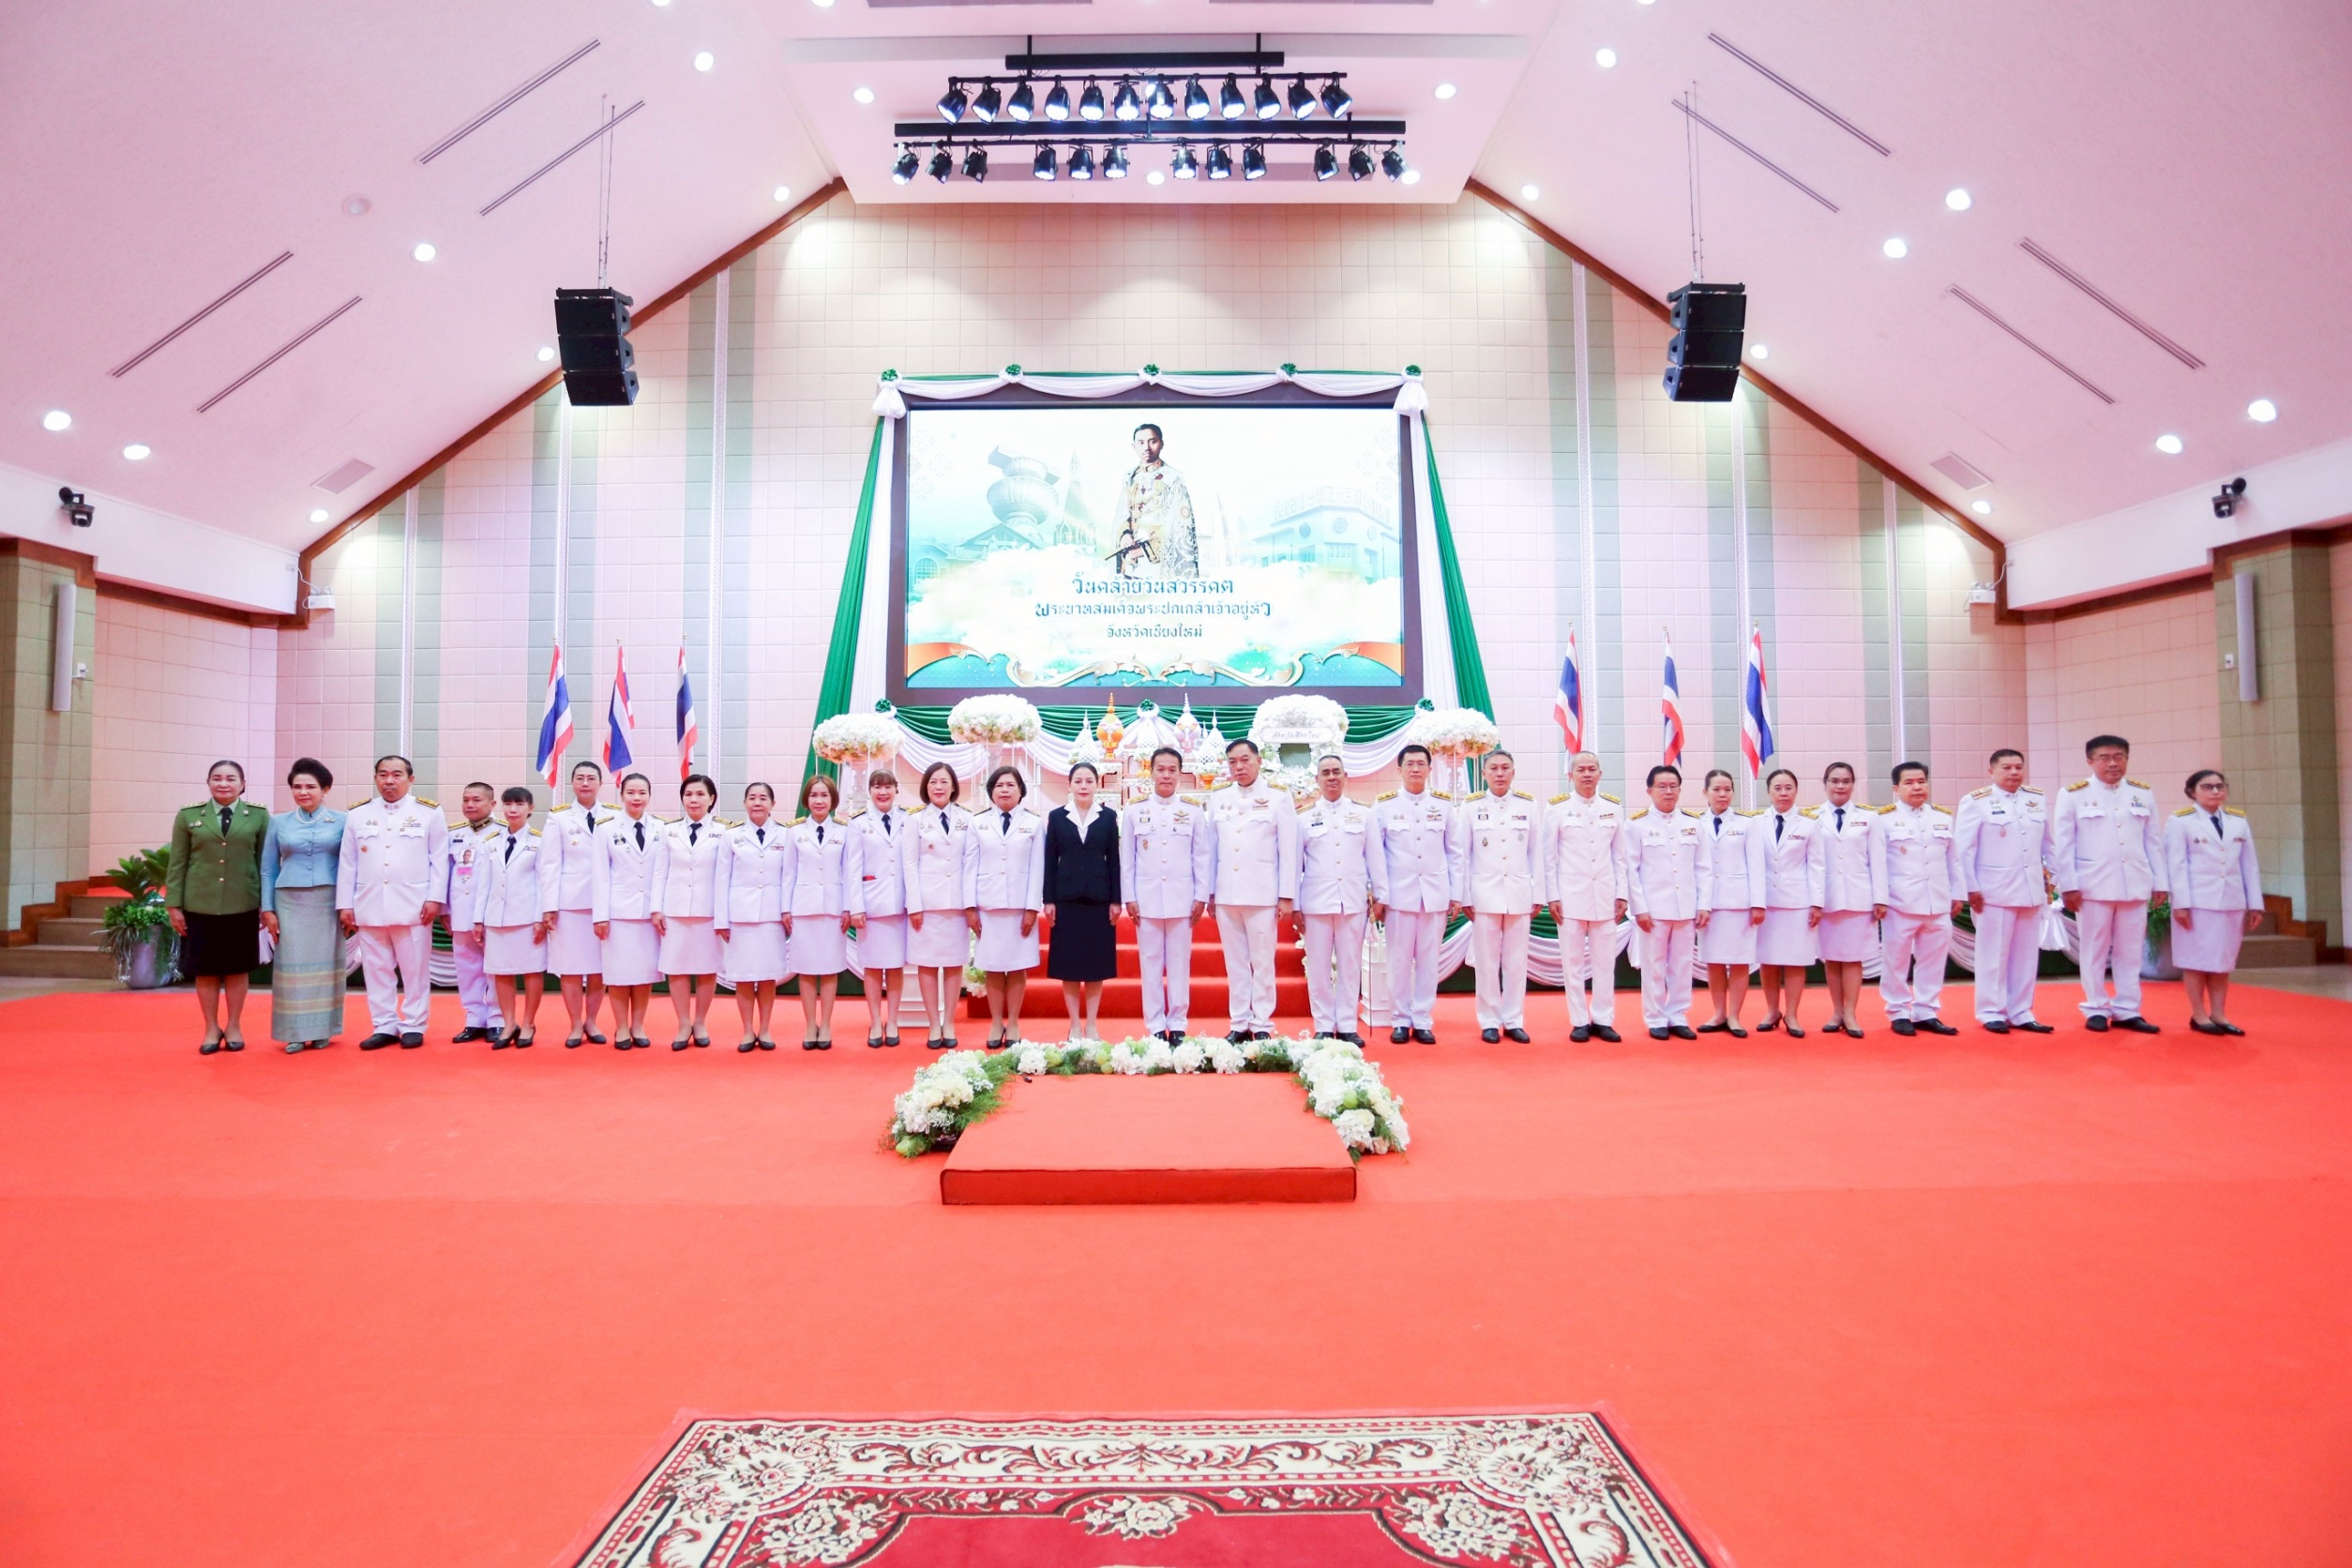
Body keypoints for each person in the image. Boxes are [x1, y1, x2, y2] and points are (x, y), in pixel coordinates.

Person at [2051, 733, 2167, 1033]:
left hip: (2135, 883)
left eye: (2119, 757)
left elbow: (2153, 841)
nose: (2113, 763)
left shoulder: (2142, 793)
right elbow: (2064, 844)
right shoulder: (2073, 794)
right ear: (2090, 761)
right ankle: (2096, 1007)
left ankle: (2128, 1009)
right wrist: (2068, 885)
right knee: (2094, 949)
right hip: (2092, 886)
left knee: (2131, 950)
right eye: (2105, 758)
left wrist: (2160, 882)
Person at [335, 755, 448, 1050]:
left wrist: (435, 898)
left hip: (414, 905)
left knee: (415, 971)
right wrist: (345, 904)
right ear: (375, 778)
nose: (389, 781)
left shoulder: (429, 812)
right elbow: (348, 862)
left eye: (397, 775)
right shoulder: (359, 813)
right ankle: (384, 1024)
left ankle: (413, 1024)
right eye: (383, 774)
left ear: (411, 779)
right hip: (369, 904)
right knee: (376, 970)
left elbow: (439, 859)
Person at [167, 759, 270, 1054]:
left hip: (242, 902)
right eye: (217, 778)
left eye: (230, 779)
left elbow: (265, 863)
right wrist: (174, 905)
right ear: (209, 782)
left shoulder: (258, 815)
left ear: (243, 784)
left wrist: (266, 905)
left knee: (238, 968)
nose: (223, 784)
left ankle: (234, 1025)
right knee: (206, 970)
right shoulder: (189, 816)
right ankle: (211, 1027)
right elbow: (178, 862)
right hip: (200, 904)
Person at [1952, 748, 2055, 1036]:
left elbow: (2048, 843)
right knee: (1992, 955)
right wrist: (1970, 888)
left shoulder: (2036, 799)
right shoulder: (1976, 802)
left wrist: (2056, 877)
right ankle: (1991, 1011)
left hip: (2030, 890)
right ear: (1992, 771)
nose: (2014, 772)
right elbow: (1964, 849)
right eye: (2006, 767)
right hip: (1992, 892)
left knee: (2025, 956)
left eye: (2018, 767)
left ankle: (2021, 1011)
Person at [1205, 738, 1300, 1043]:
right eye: (1233, 761)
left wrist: (1286, 895)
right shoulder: (1219, 798)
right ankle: (1239, 1023)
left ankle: (1262, 1024)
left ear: (1259, 761)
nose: (1239, 767)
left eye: (1245, 760)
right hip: (1227, 894)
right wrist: (1210, 893)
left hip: (1262, 894)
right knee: (1235, 964)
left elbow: (1289, 850)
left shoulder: (1278, 797)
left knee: (1262, 963)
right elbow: (1211, 850)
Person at [1368, 743, 1464, 1045]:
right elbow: (1376, 855)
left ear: (1429, 769)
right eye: (1409, 764)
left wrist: (1456, 893)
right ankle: (1400, 1019)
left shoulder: (1443, 805)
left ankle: (1422, 1019)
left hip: (1434, 895)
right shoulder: (1384, 805)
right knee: (1398, 961)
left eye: (1421, 764)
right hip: (1399, 896)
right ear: (1399, 769)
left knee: (1428, 961)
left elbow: (1455, 852)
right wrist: (1380, 895)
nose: (1415, 769)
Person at [1121, 746, 1214, 1045]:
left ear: (1180, 774)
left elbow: (1202, 856)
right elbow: (1127, 859)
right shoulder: (1134, 810)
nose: (1166, 775)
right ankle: (1155, 1025)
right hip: (1145, 899)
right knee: (1149, 964)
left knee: (1179, 964)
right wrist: (1129, 896)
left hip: (1182, 899)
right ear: (1150, 772)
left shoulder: (1193, 811)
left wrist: (1201, 895)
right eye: (1160, 769)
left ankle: (1178, 1023)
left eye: (1172, 770)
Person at [2164, 769, 2262, 1036]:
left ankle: (2219, 1013)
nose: (2216, 791)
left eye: (2220, 786)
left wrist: (2255, 903)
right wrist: (2180, 904)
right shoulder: (2180, 821)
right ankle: (2198, 1014)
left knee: (2223, 962)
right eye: (2207, 787)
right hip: (2197, 902)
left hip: (2231, 900)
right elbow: (2175, 865)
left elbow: (2249, 865)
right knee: (2196, 961)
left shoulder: (2238, 821)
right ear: (2192, 792)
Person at [260, 758, 346, 1052]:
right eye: (297, 787)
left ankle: (323, 1030)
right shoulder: (278, 822)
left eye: (311, 786)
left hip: (329, 900)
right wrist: (267, 909)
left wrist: (349, 905)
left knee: (326, 967)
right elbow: (268, 869)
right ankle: (294, 1031)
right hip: (289, 901)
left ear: (326, 789)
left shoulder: (343, 821)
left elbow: (351, 866)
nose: (303, 792)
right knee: (292, 967)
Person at [1543, 750, 1626, 1043]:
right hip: (1570, 898)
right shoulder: (1557, 809)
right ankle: (1579, 1020)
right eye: (1581, 770)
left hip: (1605, 896)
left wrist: (1622, 894)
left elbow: (1620, 857)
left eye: (1592, 769)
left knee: (1605, 964)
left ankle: (1603, 1019)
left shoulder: (1613, 808)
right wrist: (1552, 896)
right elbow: (1548, 858)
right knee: (1573, 963)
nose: (1587, 774)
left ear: (1600, 774)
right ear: (1570, 775)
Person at [1621, 764, 1708, 1040]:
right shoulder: (1636, 825)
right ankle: (1656, 1017)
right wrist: (1639, 908)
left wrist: (1703, 905)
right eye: (1662, 786)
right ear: (1649, 791)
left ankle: (1677, 1015)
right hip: (1653, 909)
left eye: (1673, 786)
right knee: (1653, 965)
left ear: (1680, 790)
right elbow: (1631, 870)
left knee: (1682, 964)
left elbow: (1703, 868)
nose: (1668, 791)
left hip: (1686, 907)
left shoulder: (1694, 824)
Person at [1877, 761, 1963, 1037]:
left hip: (1937, 901)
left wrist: (1958, 893)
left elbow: (1954, 860)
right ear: (1896, 788)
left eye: (1921, 781)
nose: (1917, 787)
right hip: (1899, 902)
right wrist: (1879, 899)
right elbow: (1877, 864)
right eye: (1909, 783)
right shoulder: (1883, 819)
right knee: (1896, 961)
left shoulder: (1942, 818)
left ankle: (1926, 1010)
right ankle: (1898, 1011)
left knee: (1933, 960)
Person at [1461, 749, 1540, 1043]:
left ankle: (1514, 1019)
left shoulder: (1528, 805)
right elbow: (1462, 855)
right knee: (1486, 962)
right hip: (1484, 895)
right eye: (1493, 768)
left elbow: (1537, 853)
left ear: (1513, 772)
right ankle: (1489, 1021)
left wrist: (1539, 893)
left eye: (1505, 768)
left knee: (1516, 962)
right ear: (1483, 773)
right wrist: (1465, 896)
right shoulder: (1471, 806)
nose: (1499, 773)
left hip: (1519, 894)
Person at [1296, 752, 1374, 1044]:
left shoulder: (1364, 814)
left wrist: (1379, 895)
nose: (1331, 777)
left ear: (1345, 776)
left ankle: (1348, 1024)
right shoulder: (1303, 817)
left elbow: (1374, 859)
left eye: (1336, 772)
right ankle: (1324, 1025)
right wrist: (1293, 904)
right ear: (1317, 779)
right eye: (1326, 773)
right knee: (1318, 968)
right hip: (1315, 903)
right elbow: (1295, 865)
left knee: (1350, 966)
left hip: (1352, 901)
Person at [1043, 760, 1121, 1043]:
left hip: (1099, 900)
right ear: (1070, 785)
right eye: (1078, 781)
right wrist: (1048, 899)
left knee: (1097, 965)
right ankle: (1074, 1024)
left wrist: (1116, 899)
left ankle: (1092, 1024)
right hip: (1066, 900)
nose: (1084, 786)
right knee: (1069, 965)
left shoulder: (1108, 816)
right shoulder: (1057, 816)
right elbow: (1050, 860)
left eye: (1089, 781)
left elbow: (1114, 859)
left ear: (1097, 785)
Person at [542, 761, 620, 1047]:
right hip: (571, 904)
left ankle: (592, 1020)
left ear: (600, 784)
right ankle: (575, 1023)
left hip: (606, 904)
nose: (585, 783)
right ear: (572, 783)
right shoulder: (558, 818)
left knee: (600, 966)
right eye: (580, 778)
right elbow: (549, 864)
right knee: (571, 966)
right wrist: (549, 905)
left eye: (591, 778)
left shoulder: (614, 815)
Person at [965, 765, 1044, 1045]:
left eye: (1011, 785)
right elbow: (969, 866)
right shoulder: (978, 823)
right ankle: (996, 1023)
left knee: (1018, 967)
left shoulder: (1034, 823)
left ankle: (1013, 1024)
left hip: (1020, 908)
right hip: (988, 907)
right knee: (994, 967)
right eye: (999, 785)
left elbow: (1038, 869)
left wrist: (1032, 908)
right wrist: (970, 907)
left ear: (1021, 790)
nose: (1005, 790)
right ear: (991, 791)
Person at [785, 774, 864, 1049]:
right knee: (806, 969)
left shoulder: (844, 831)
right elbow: (788, 874)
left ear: (833, 799)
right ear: (806, 799)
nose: (819, 800)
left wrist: (849, 907)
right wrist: (785, 909)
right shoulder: (794, 832)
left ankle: (826, 1024)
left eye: (824, 795)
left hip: (834, 908)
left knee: (830, 969)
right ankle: (810, 1024)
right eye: (814, 795)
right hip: (803, 908)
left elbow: (850, 872)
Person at [1806, 761, 1885, 1038]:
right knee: (1831, 958)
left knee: (1852, 958)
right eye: (1835, 781)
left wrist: (1880, 898)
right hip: (1826, 899)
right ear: (1825, 784)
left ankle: (1850, 1013)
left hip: (1858, 897)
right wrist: (1813, 900)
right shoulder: (1812, 818)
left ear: (1853, 785)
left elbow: (1878, 861)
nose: (1840, 786)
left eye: (1846, 781)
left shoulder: (1869, 817)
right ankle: (1837, 1011)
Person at [903, 761, 975, 1050]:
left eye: (944, 781)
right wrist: (914, 905)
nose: (939, 787)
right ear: (926, 787)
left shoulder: (966, 818)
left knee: (954, 963)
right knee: (928, 964)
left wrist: (970, 904)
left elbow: (971, 863)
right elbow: (910, 864)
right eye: (933, 782)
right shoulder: (915, 820)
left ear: (953, 786)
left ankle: (949, 1023)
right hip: (927, 904)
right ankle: (933, 1023)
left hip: (957, 903)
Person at [715, 781, 792, 1051]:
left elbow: (788, 877)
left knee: (768, 976)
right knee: (744, 976)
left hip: (772, 916)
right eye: (752, 798)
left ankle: (766, 1029)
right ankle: (748, 1031)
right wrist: (721, 920)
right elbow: (721, 880)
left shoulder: (785, 835)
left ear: (773, 804)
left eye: (763, 798)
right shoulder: (731, 836)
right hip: (740, 917)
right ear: (745, 803)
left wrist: (786, 911)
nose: (757, 803)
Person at [589, 772, 662, 1050]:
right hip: (617, 913)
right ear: (621, 795)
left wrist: (660, 908)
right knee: (618, 974)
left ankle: (638, 1025)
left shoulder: (660, 828)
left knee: (645, 974)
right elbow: (600, 875)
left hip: (649, 914)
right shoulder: (606, 828)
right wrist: (600, 915)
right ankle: (621, 1026)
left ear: (649, 796)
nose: (636, 798)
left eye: (642, 792)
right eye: (631, 792)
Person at [654, 774, 725, 1049]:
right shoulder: (669, 831)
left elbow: (725, 875)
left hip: (709, 912)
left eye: (700, 794)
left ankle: (700, 1021)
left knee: (707, 968)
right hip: (675, 910)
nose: (694, 799)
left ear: (711, 799)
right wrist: (656, 909)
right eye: (688, 794)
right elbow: (660, 872)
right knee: (677, 968)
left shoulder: (723, 832)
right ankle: (683, 1023)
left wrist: (724, 914)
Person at [1694, 768, 1766, 1036]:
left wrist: (1758, 903)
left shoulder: (1748, 824)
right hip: (1707, 904)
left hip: (1739, 903)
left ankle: (1734, 1016)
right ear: (1705, 792)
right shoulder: (1695, 823)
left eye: (1727, 789)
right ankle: (1719, 1013)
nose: (1722, 794)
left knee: (1738, 961)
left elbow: (1757, 865)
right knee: (1713, 961)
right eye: (1716, 789)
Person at [477, 786, 548, 1048]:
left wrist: (541, 918)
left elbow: (544, 883)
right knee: (501, 972)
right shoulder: (491, 842)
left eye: (519, 804)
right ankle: (509, 1023)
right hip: (496, 917)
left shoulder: (539, 842)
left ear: (530, 808)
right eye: (508, 804)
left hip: (527, 917)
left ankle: (528, 1023)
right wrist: (478, 919)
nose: (513, 809)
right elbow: (483, 884)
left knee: (531, 971)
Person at [849, 769, 911, 1048]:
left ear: (896, 789)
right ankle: (875, 1021)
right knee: (873, 966)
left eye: (887, 786)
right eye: (877, 786)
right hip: (871, 906)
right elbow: (852, 868)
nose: (882, 792)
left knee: (895, 965)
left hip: (900, 904)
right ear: (870, 791)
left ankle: (893, 1020)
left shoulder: (908, 820)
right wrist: (855, 907)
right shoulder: (858, 823)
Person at [1754, 767, 1817, 1037]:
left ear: (1796, 791)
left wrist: (1817, 903)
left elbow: (1817, 866)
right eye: (1777, 788)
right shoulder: (1756, 823)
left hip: (1797, 902)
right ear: (1768, 792)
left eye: (1788, 788)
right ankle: (1772, 1010)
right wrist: (1754, 901)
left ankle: (1792, 1014)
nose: (1783, 793)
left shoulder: (1809, 824)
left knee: (1794, 960)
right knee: (1767, 960)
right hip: (1765, 902)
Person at [442, 782, 505, 1043]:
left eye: (476, 800)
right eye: (466, 800)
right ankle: (474, 1018)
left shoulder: (504, 832)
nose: (469, 805)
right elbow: (445, 874)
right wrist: (445, 909)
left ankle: (497, 1018)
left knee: (495, 967)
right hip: (461, 910)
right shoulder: (454, 834)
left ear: (492, 804)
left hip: (493, 912)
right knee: (466, 967)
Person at [1117, 422, 1198, 579]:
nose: (1146, 447)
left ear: (1161, 443)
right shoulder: (1130, 478)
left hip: (1159, 564)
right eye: (1141, 443)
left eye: (1152, 441)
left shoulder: (1172, 479)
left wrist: (1144, 550)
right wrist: (1125, 535)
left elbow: (1181, 527)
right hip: (1130, 561)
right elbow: (1123, 515)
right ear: (1134, 446)